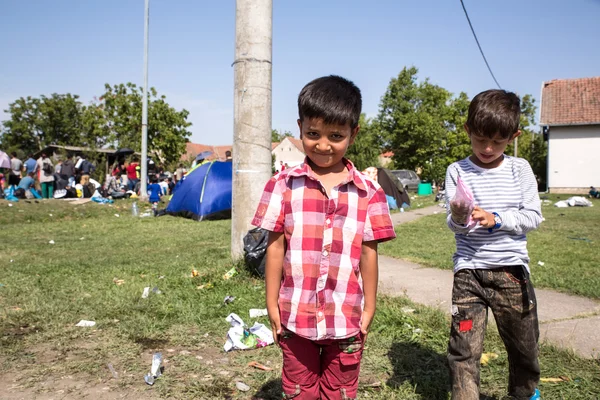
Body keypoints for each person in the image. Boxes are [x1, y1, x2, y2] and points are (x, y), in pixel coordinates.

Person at [252, 75, 396, 400]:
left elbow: (369, 254)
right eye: (313, 134)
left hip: (347, 317)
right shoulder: (281, 186)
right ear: (300, 127)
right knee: (299, 391)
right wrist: (272, 305)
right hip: (294, 314)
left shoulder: (369, 193)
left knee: (340, 392)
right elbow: (275, 249)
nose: (323, 145)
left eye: (336, 136)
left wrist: (369, 307)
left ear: (353, 134)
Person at [445, 89, 543, 400]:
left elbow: (533, 216)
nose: (487, 148)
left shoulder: (520, 169)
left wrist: (497, 219)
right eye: (480, 139)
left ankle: (523, 395)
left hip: (511, 273)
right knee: (463, 350)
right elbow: (455, 226)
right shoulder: (457, 171)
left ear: (514, 136)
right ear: (467, 130)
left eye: (498, 142)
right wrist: (459, 216)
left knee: (524, 347)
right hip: (468, 274)